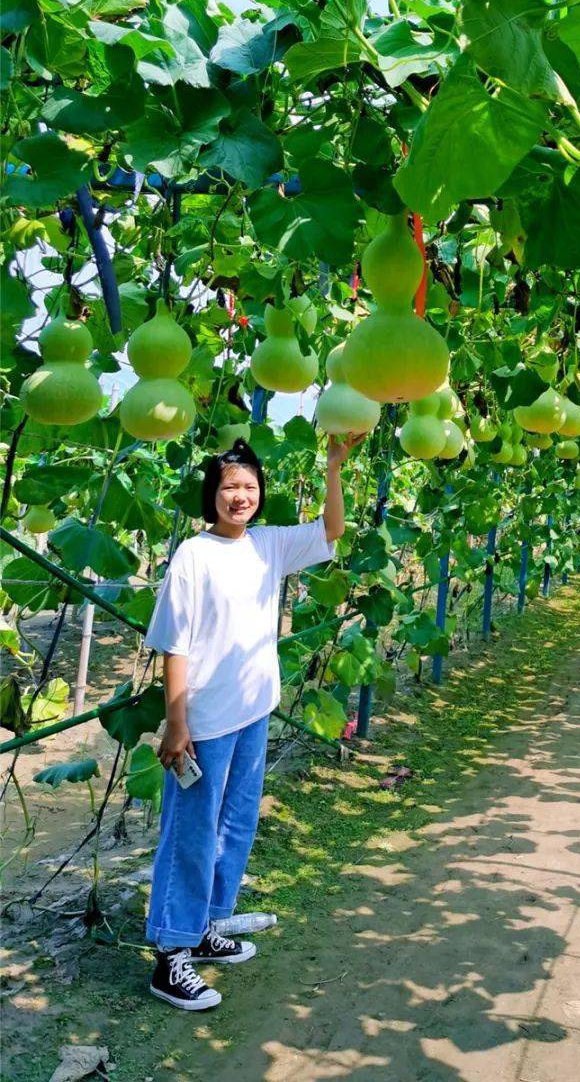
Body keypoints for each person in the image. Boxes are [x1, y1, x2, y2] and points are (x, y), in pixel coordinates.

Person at [142, 433, 362, 1010]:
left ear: (260, 493)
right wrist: (176, 721)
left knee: (234, 827)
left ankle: (209, 928)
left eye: (249, 486)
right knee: (189, 835)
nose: (240, 496)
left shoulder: (268, 546)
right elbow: (175, 644)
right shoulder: (193, 555)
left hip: (253, 710)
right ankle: (170, 956)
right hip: (206, 720)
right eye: (228, 487)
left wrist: (334, 467)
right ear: (210, 495)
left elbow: (332, 530)